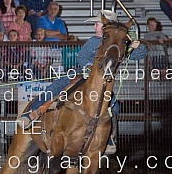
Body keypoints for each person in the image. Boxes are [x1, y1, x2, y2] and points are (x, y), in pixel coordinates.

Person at [18, 10, 148, 155]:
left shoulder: (120, 44)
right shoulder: (94, 41)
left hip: (101, 84)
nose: (94, 26)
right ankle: (31, 114)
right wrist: (87, 66)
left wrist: (134, 42)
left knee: (114, 106)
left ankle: (110, 137)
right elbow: (82, 57)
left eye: (97, 23)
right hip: (80, 75)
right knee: (54, 88)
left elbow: (140, 53)